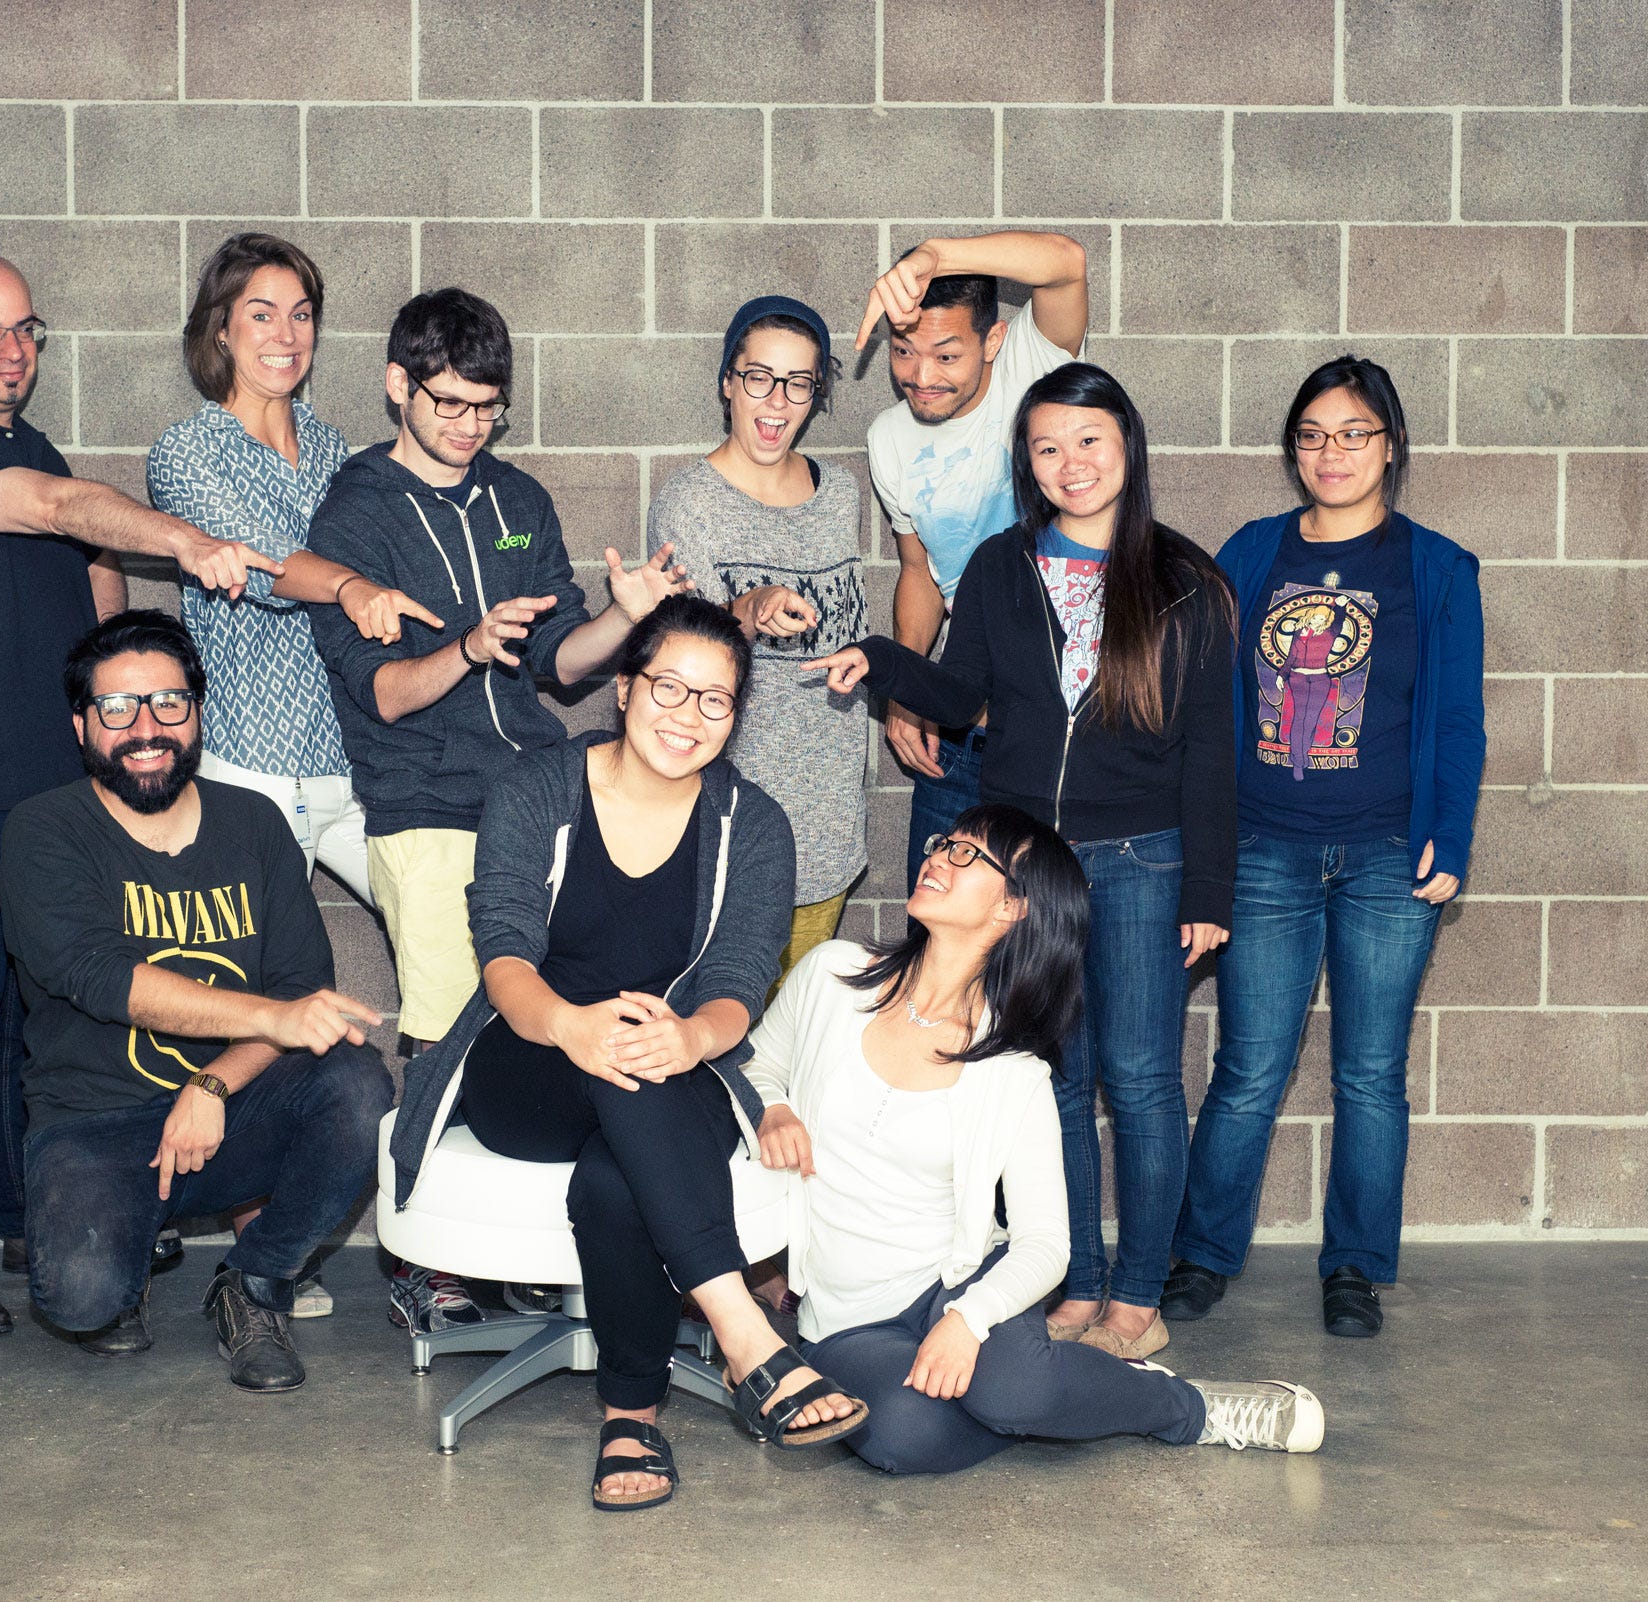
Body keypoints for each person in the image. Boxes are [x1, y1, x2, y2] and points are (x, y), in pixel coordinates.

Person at [0, 252, 283, 1338]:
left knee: (37, 1026)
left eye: (27, 330)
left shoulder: (34, 447)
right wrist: (189, 542)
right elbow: (62, 508)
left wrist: (134, 704)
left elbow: (93, 580)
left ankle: (32, 1223)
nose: (13, 351)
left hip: (61, 801)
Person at [385, 597, 867, 1512]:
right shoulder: (537, 787)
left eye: (715, 700)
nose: (687, 716)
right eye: (668, 688)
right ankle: (746, 1335)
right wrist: (574, 1026)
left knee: (619, 1171)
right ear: (624, 688)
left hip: (676, 1067)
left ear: (737, 714)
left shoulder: (754, 824)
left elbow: (738, 980)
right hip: (531, 1061)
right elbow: (504, 957)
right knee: (623, 1061)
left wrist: (689, 1037)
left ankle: (630, 1419)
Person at [803, 362, 1238, 1362]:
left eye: (1088, 441)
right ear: (1026, 464)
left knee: (1141, 1080)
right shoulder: (1004, 566)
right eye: (1046, 447)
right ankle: (1076, 1282)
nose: (1069, 463)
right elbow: (961, 698)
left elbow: (1212, 750)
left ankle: (1138, 1298)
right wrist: (883, 662)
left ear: (1126, 446)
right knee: (1053, 1082)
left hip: (1141, 861)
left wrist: (1209, 888)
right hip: (1032, 871)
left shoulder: (1187, 580)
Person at [307, 287, 689, 1337]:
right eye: (449, 404)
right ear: (398, 384)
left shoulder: (517, 497)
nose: (471, 425)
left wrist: (627, 618)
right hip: (424, 800)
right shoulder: (356, 512)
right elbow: (386, 694)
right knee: (446, 1035)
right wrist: (469, 647)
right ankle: (420, 1257)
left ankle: (525, 1250)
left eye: (488, 407)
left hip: (538, 792)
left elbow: (562, 664)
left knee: (547, 1024)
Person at [748, 804, 1324, 1473]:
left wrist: (968, 1321)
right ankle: (1052, 1396)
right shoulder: (832, 974)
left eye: (967, 855)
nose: (937, 858)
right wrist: (774, 1109)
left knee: (1014, 1389)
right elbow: (754, 1065)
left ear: (1013, 908)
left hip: (957, 1282)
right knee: (902, 1437)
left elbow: (1047, 1243)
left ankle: (1178, 1406)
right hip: (847, 1322)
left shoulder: (1011, 1066)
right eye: (943, 844)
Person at [147, 232, 441, 1319]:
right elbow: (270, 566)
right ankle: (256, 1234)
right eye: (261, 313)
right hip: (246, 770)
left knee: (450, 948)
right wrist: (354, 583)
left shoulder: (335, 449)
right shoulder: (186, 453)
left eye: (302, 313)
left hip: (350, 771)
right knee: (252, 998)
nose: (285, 333)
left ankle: (437, 1225)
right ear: (220, 329)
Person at [1164, 355, 1485, 1340]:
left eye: (1353, 434)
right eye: (1312, 436)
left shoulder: (1438, 569)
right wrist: (1205, 846)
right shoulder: (1250, 553)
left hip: (1390, 856)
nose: (1331, 453)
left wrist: (1450, 838)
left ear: (1392, 445)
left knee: (1370, 1074)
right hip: (1265, 851)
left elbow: (1459, 720)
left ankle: (1355, 1266)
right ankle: (1202, 1253)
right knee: (1249, 1069)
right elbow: (1203, 704)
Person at [0, 610, 394, 1391]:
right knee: (82, 1301)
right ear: (81, 725)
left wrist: (212, 1083)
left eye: (168, 703)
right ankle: (127, 1245)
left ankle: (254, 1284)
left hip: (231, 1112)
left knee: (358, 1085)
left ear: (197, 712)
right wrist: (271, 1017)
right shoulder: (43, 829)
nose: (146, 729)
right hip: (97, 1124)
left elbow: (297, 992)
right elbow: (100, 975)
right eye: (118, 708)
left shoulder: (253, 823)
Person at [858, 232, 1091, 890]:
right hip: (963, 740)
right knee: (938, 931)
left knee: (1051, 939)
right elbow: (920, 573)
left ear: (992, 341)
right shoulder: (889, 438)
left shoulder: (1032, 369)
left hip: (1062, 740)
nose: (921, 375)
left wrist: (934, 254)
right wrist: (907, 690)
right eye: (903, 350)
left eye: (946, 354)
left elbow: (1066, 264)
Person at [646, 294, 869, 977]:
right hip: (735, 815)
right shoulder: (689, 502)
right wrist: (748, 609)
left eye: (799, 382)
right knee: (728, 1016)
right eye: (758, 377)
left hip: (830, 813)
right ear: (727, 383)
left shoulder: (841, 494)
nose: (777, 400)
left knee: (801, 1018)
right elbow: (680, 654)